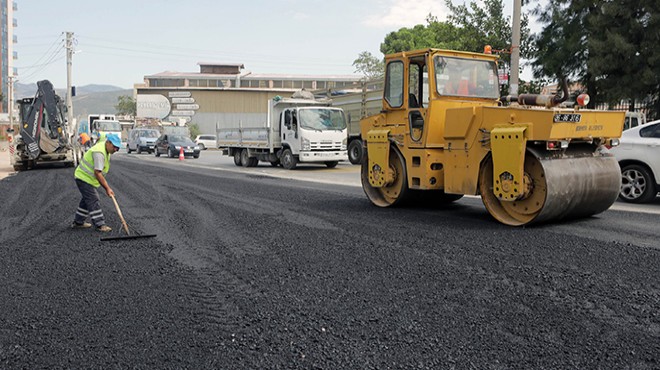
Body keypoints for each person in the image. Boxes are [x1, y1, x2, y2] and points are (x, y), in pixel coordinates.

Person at [71, 133, 121, 232]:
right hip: (83, 178)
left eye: (118, 148)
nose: (116, 150)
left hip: (87, 178)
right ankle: (100, 224)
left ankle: (78, 222)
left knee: (86, 200)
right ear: (108, 143)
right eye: (114, 147)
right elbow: (98, 173)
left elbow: (102, 135)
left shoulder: (105, 147)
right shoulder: (99, 153)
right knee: (93, 199)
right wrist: (107, 188)